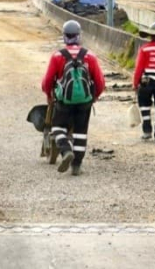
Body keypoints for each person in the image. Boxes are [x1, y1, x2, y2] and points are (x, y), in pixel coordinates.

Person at [40, 20, 106, 176]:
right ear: (79, 36)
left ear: (64, 37)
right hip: (84, 102)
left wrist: (49, 95)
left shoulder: (57, 56)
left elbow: (47, 81)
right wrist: (94, 96)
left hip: (64, 102)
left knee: (57, 128)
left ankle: (66, 150)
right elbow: (100, 82)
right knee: (81, 133)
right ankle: (77, 165)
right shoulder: (89, 56)